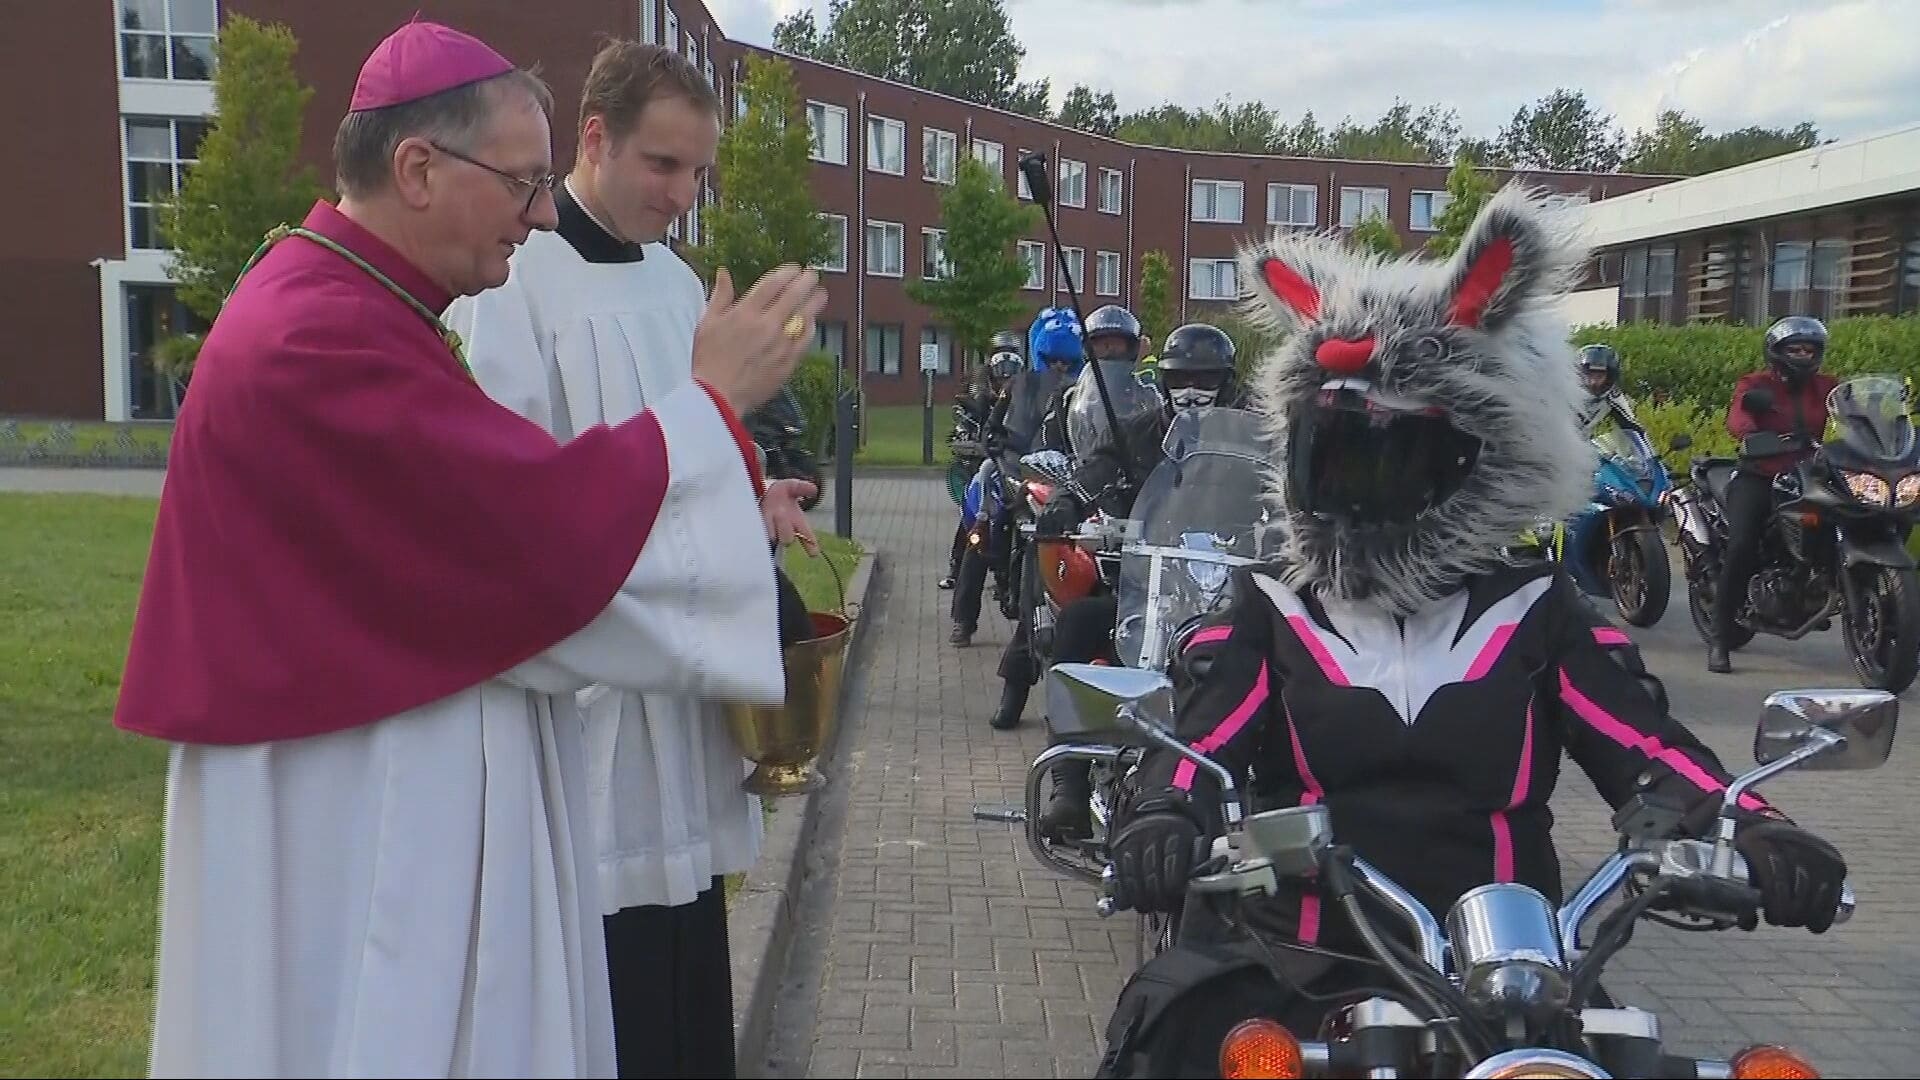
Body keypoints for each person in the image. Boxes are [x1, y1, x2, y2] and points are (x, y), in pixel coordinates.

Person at [113, 19, 827, 1078]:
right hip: (351, 821)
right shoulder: (314, 337)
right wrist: (709, 407)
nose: (540, 213)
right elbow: (526, 540)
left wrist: (726, 472)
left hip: (376, 778)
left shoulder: (358, 305)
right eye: (524, 183)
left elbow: (490, 508)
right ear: (417, 170)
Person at [1099, 186, 1848, 1069]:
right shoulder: (1273, 606)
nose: (1350, 485)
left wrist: (1753, 824)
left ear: (1472, 460)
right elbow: (1200, 742)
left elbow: (1647, 747)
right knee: (1169, 1040)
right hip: (1302, 961)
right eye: (1327, 453)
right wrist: (1163, 812)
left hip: (1506, 979)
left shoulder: (1537, 609)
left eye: (1385, 455)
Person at [443, 40, 819, 1079]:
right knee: (608, 978)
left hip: (680, 700)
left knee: (690, 952)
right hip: (591, 690)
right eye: (662, 164)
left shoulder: (675, 283)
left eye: (697, 171)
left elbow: (695, 443)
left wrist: (753, 493)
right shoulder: (515, 285)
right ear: (595, 138)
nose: (683, 194)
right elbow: (516, 502)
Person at [1030, 322, 1247, 837]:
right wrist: (1067, 503)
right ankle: (1069, 787)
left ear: (1227, 380)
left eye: (1205, 378)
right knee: (1078, 622)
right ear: (1163, 379)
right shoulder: (1140, 432)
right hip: (1152, 585)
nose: (1191, 390)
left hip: (1233, 585)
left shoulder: (1252, 434)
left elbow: (1285, 485)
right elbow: (1097, 469)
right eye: (1180, 378)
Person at [1708, 315, 1839, 674]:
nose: (1803, 354)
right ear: (1777, 352)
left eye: (1809, 348)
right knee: (1742, 545)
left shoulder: (1828, 386)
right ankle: (1720, 637)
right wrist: (1751, 435)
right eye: (1795, 348)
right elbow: (1739, 416)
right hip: (1760, 475)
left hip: (1809, 475)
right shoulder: (1756, 384)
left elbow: (1851, 413)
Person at [949, 310, 1084, 647]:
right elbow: (993, 424)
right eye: (1053, 360)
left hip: (1057, 475)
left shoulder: (1082, 394)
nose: (1059, 367)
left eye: (1066, 362)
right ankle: (964, 620)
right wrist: (992, 442)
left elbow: (1088, 435)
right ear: (1041, 355)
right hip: (1013, 467)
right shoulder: (1018, 386)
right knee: (981, 529)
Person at [940, 331, 1024, 592]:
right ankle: (956, 568)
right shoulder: (980, 381)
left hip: (1016, 457)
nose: (1006, 371)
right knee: (975, 508)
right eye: (1001, 360)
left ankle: (1010, 577)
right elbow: (974, 413)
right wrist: (974, 431)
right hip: (988, 454)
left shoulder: (1026, 385)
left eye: (1012, 357)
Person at [1574, 342, 1642, 437]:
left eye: (1599, 376)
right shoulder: (1563, 393)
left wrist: (1643, 445)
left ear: (1609, 377)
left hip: (1578, 443)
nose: (1593, 382)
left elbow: (1633, 427)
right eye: (1589, 374)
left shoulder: (1612, 397)